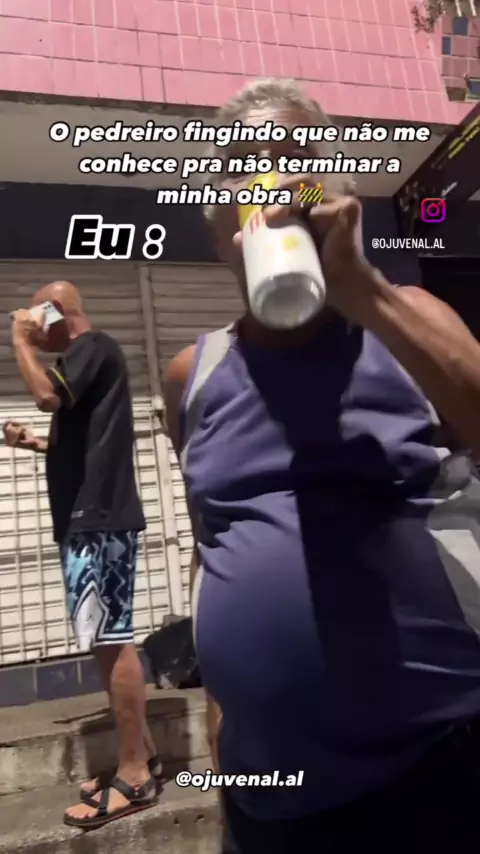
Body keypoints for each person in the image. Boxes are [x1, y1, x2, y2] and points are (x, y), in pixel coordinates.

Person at [164, 78, 480, 851]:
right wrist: (222, 728)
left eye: (296, 159)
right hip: (273, 804)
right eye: (246, 166)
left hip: (442, 774)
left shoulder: (408, 320)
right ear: (218, 227)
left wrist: (361, 288)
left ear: (339, 196)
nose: (272, 180)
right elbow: (217, 542)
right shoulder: (190, 376)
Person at [3, 282, 161, 830]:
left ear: (53, 314)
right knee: (104, 639)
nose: (33, 328)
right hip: (90, 519)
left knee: (112, 640)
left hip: (99, 520)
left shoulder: (91, 347)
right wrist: (34, 443)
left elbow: (47, 396)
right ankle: (142, 756)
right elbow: (82, 439)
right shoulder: (91, 360)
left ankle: (135, 776)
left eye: (36, 317)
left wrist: (19, 341)